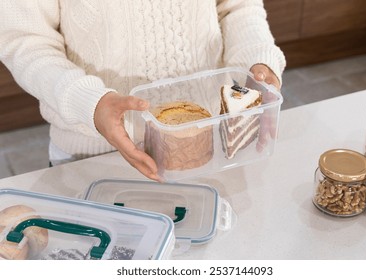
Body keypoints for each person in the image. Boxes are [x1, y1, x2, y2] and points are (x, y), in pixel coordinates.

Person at [0, 0, 286, 181]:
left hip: (209, 144)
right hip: (93, 158)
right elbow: (25, 40)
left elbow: (236, 6)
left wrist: (255, 59)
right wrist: (89, 102)